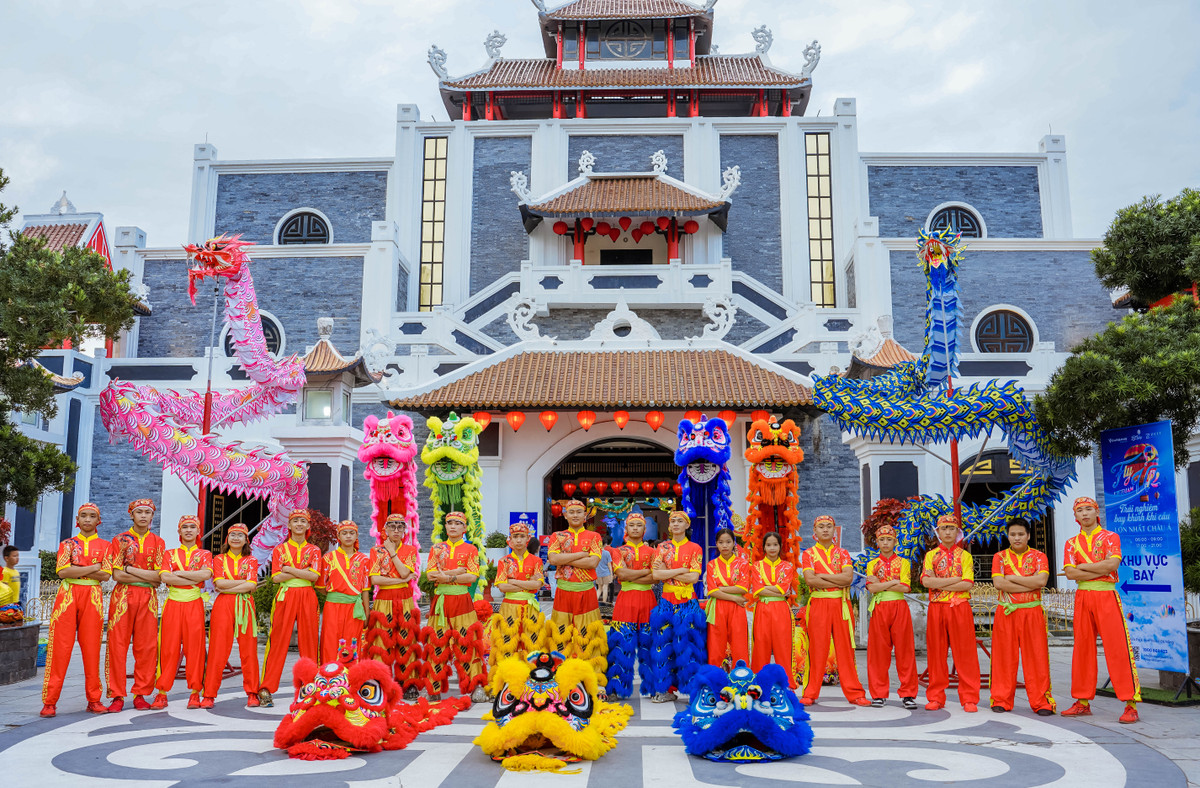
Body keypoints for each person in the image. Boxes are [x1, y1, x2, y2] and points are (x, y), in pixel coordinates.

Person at [1061, 497, 1140, 724]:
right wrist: (1094, 569)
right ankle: (1082, 701)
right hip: (1083, 596)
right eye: (1079, 511)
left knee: (1117, 647)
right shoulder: (1071, 542)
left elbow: (1112, 565)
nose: (1084, 514)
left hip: (1106, 594)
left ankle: (1130, 703)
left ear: (1097, 513)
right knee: (1082, 648)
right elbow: (1070, 574)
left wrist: (1082, 567)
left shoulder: (1110, 537)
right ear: (1075, 517)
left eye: (1088, 509)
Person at [41, 503, 111, 717]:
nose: (88, 520)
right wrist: (93, 568)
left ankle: (94, 699)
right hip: (67, 597)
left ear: (98, 521)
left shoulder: (106, 546)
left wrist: (78, 570)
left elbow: (106, 575)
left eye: (92, 516)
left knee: (91, 649)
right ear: (77, 520)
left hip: (93, 598)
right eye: (84, 516)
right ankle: (50, 702)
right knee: (59, 648)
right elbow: (62, 572)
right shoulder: (67, 544)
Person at [103, 498, 165, 712]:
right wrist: (137, 574)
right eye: (139, 512)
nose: (143, 516)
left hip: (148, 597)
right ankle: (117, 695)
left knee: (147, 646)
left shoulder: (158, 542)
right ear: (131, 515)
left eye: (147, 512)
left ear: (152, 516)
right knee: (117, 645)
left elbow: (159, 578)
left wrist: (130, 570)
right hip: (122, 597)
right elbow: (117, 574)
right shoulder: (119, 540)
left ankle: (141, 693)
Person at [801, 515, 869, 706]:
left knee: (845, 649)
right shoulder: (809, 554)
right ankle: (810, 692)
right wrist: (834, 578)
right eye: (821, 526)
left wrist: (822, 576)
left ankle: (855, 692)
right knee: (816, 649)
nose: (825, 530)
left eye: (829, 526)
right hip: (819, 604)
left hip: (840, 605)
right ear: (814, 531)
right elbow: (810, 580)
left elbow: (847, 579)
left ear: (834, 530)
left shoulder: (843, 553)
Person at [990, 518, 1055, 716]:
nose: (1017, 538)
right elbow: (999, 584)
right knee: (1004, 657)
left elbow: (1042, 581)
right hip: (1007, 611)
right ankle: (1001, 698)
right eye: (1012, 534)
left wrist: (1012, 578)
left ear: (1028, 535)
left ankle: (1041, 701)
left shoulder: (1039, 556)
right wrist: (1029, 583)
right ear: (1007, 536)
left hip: (1032, 611)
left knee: (1036, 656)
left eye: (1020, 534)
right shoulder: (999, 557)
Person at [423, 511, 488, 702]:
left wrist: (447, 577)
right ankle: (433, 688)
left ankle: (476, 685)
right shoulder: (437, 549)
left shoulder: (471, 550)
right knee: (436, 644)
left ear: (464, 528)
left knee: (468, 643)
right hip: (441, 603)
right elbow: (430, 575)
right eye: (449, 523)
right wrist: (457, 572)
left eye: (457, 523)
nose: (452, 526)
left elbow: (472, 576)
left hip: (462, 601)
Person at [259, 509, 321, 707]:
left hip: (308, 597)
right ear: (289, 526)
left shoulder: (314, 550)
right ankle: (266, 688)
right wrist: (302, 572)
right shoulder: (280, 550)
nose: (299, 524)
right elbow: (276, 578)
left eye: (303, 521)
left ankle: (311, 686)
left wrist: (288, 569)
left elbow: (315, 577)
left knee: (310, 641)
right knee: (277, 641)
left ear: (308, 526)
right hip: (285, 597)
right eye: (296, 521)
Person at [151, 515, 213, 709]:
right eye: (184, 527)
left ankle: (195, 692)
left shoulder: (204, 554)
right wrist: (190, 577)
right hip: (173, 604)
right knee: (168, 648)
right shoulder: (169, 554)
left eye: (192, 527)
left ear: (197, 531)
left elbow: (206, 574)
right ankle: (161, 692)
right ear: (179, 531)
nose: (188, 530)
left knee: (194, 648)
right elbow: (165, 577)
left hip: (194, 603)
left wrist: (178, 574)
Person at [921, 513, 980, 712]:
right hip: (937, 607)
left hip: (959, 607)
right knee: (936, 654)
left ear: (957, 532)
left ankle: (969, 697)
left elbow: (968, 583)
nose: (948, 532)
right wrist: (954, 580)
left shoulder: (965, 556)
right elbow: (926, 582)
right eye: (944, 528)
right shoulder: (930, 556)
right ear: (938, 532)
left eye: (951, 528)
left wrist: (939, 582)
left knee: (965, 653)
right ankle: (936, 696)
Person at [646, 510, 706, 702]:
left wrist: (668, 572)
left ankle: (692, 690)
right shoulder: (662, 547)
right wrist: (682, 570)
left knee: (689, 646)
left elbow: (694, 577)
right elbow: (656, 575)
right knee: (663, 645)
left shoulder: (695, 548)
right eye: (673, 521)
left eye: (680, 521)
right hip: (666, 602)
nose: (676, 524)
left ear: (687, 525)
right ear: (669, 526)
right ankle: (665, 689)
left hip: (688, 603)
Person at [547, 499, 608, 684]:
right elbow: (552, 559)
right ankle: (559, 673)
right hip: (564, 590)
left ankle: (591, 675)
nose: (574, 515)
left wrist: (564, 559)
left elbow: (593, 563)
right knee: (560, 633)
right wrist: (581, 554)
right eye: (571, 511)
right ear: (564, 515)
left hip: (586, 592)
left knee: (587, 633)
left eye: (578, 512)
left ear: (585, 516)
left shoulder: (594, 537)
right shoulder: (557, 536)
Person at [202, 523, 260, 707]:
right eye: (233, 534)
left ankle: (252, 693)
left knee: (249, 650)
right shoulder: (218, 559)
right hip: (223, 605)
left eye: (240, 535)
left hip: (245, 605)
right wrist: (239, 584)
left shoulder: (251, 560)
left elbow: (251, 585)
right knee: (218, 649)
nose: (236, 538)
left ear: (246, 540)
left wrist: (227, 586)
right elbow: (218, 581)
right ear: (227, 539)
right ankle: (209, 694)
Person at [365, 513, 423, 699]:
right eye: (392, 527)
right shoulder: (376, 551)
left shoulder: (410, 550)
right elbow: (375, 579)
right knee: (383, 640)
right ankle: (381, 681)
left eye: (400, 527)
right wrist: (402, 579)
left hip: (405, 599)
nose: (396, 530)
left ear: (405, 530)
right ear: (386, 530)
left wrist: (392, 552)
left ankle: (408, 682)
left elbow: (406, 570)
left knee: (406, 639)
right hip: (384, 600)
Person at [864, 524, 919, 709]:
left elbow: (904, 587)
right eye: (882, 539)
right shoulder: (872, 564)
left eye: (889, 539)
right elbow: (871, 588)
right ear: (877, 542)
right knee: (878, 652)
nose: (885, 543)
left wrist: (882, 583)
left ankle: (908, 694)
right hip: (880, 607)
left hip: (899, 606)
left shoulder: (904, 562)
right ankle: (878, 694)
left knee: (905, 651)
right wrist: (894, 581)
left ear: (895, 541)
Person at [606, 510, 657, 698]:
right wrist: (645, 573)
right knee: (621, 644)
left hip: (648, 601)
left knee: (650, 644)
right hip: (625, 600)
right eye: (632, 525)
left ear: (645, 529)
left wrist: (633, 575)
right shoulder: (618, 551)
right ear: (625, 528)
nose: (635, 528)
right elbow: (621, 574)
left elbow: (656, 578)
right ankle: (616, 688)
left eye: (639, 525)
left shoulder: (653, 551)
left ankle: (652, 688)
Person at [488, 519, 546, 670]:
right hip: (509, 607)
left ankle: (531, 674)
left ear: (528, 538)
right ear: (510, 540)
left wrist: (513, 582)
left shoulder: (536, 561)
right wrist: (527, 583)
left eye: (522, 536)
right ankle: (507, 674)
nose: (518, 540)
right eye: (515, 536)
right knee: (507, 641)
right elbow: (501, 586)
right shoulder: (504, 561)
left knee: (531, 641)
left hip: (530, 607)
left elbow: (537, 585)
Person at [750, 531, 797, 687]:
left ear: (780, 546)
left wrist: (765, 587)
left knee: (783, 646)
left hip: (781, 609)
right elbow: (757, 590)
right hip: (762, 608)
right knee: (760, 646)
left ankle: (786, 681)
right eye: (768, 545)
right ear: (763, 547)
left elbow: (784, 590)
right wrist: (774, 589)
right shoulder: (756, 566)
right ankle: (758, 681)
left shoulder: (787, 566)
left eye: (775, 544)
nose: (772, 548)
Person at [319, 520, 371, 662]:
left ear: (356, 536)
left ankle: (351, 676)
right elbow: (321, 586)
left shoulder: (364, 560)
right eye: (344, 533)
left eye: (351, 533)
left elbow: (365, 589)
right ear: (338, 536)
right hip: (332, 606)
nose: (348, 536)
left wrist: (367, 612)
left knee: (352, 641)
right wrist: (337, 596)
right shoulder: (328, 558)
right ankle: (329, 673)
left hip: (355, 608)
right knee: (330, 641)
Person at [705, 527, 751, 669]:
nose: (724, 545)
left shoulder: (743, 564)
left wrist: (719, 589)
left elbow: (743, 588)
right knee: (715, 646)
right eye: (721, 542)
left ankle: (742, 678)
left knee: (739, 645)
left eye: (728, 542)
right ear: (716, 544)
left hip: (736, 609)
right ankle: (714, 680)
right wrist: (735, 598)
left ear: (734, 543)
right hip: (718, 607)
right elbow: (711, 591)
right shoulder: (711, 565)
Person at [0, 545, 21, 619]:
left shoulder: (16, 572)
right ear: (6, 558)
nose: (17, 558)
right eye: (14, 556)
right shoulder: (5, 572)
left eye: (18, 555)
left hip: (16, 602)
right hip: (8, 605)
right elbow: (4, 589)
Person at [596, 534, 614, 605]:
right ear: (605, 544)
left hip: (598, 573)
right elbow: (609, 565)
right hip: (606, 573)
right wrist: (611, 574)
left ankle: (595, 602)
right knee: (605, 587)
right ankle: (604, 603)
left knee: (599, 588)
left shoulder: (597, 553)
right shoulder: (607, 553)